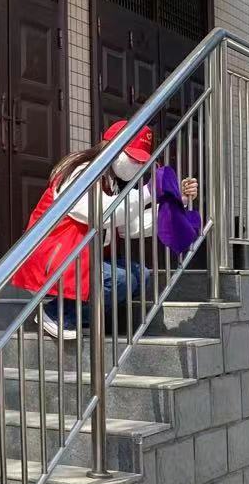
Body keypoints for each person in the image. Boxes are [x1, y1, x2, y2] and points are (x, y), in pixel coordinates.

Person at [13, 122, 198, 339]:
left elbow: (129, 226)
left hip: (80, 259)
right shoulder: (81, 171)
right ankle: (57, 313)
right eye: (133, 158)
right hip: (55, 257)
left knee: (141, 275)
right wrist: (149, 191)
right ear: (112, 147)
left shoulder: (113, 182)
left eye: (142, 161)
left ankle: (81, 316)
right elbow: (101, 214)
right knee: (120, 279)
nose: (137, 165)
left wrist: (178, 202)